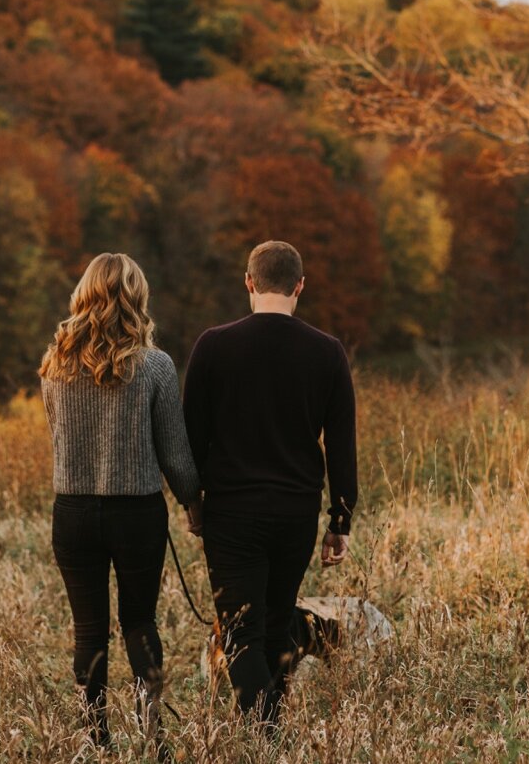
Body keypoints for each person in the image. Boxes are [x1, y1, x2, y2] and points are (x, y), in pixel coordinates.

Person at [184, 240, 358, 727]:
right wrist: (340, 519)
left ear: (248, 282)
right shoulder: (327, 352)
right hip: (295, 513)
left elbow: (192, 436)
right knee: (276, 624)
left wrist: (193, 502)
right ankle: (272, 735)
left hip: (231, 513)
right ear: (300, 286)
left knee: (242, 635)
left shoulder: (213, 346)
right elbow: (341, 444)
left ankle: (269, 736)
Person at [39, 252, 203, 754]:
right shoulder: (154, 365)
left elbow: (59, 437)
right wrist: (194, 503)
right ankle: (154, 738)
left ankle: (97, 741)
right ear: (137, 297)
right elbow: (175, 452)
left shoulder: (54, 363)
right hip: (136, 513)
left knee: (88, 629)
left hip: (73, 511)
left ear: (84, 294)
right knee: (139, 621)